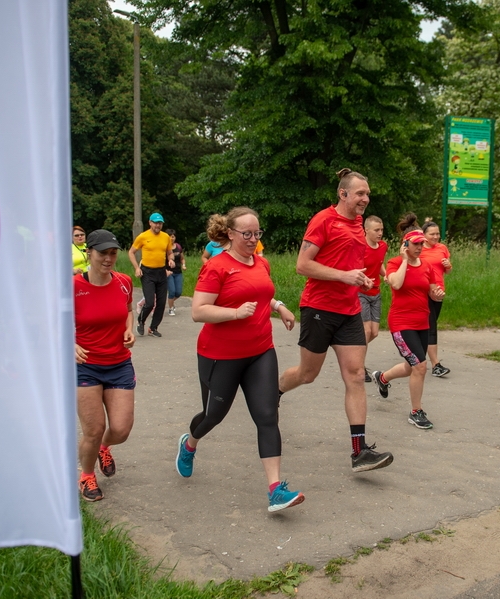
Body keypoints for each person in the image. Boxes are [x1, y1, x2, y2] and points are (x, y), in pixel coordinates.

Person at [174, 207, 304, 512]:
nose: (253, 239)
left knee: (267, 415)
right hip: (220, 355)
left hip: (260, 351)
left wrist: (279, 306)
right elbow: (199, 310)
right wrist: (234, 313)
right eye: (246, 234)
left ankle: (275, 490)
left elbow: (258, 292)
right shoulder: (216, 267)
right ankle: (189, 444)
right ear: (230, 234)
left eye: (257, 233)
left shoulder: (261, 262)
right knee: (213, 415)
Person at [278, 168, 394, 473]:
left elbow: (348, 264)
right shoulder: (323, 220)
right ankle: (273, 392)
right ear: (343, 194)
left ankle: (359, 452)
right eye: (360, 193)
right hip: (318, 308)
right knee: (307, 374)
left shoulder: (358, 225)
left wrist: (361, 281)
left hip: (349, 310)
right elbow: (302, 265)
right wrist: (344, 276)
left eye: (367, 194)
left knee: (355, 375)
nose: (366, 199)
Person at [73, 229, 136, 502]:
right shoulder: (72, 287)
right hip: (86, 364)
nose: (109, 258)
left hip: (119, 362)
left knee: (121, 429)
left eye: (113, 253)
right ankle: (86, 475)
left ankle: (103, 448)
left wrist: (129, 329)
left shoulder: (123, 282)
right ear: (90, 253)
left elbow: (129, 309)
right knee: (93, 427)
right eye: (102, 253)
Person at [371, 230, 445, 429]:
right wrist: (404, 260)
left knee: (411, 365)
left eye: (422, 244)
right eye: (415, 244)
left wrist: (437, 294)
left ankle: (382, 377)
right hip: (402, 323)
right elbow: (396, 283)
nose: (420, 247)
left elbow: (432, 290)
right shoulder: (395, 263)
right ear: (406, 245)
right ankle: (416, 411)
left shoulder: (427, 265)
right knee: (420, 366)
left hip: (422, 322)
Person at [128, 213, 174, 338]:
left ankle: (153, 328)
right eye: (155, 222)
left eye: (160, 223)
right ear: (150, 223)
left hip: (161, 272)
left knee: (161, 302)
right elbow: (131, 252)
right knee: (149, 302)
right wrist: (137, 268)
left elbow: (170, 253)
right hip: (147, 272)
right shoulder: (143, 236)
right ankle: (141, 321)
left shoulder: (166, 237)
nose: (158, 225)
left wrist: (171, 259)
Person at [419, 218, 452, 377]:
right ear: (424, 235)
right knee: (431, 325)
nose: (436, 236)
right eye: (432, 234)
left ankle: (415, 356)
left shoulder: (442, 248)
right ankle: (435, 365)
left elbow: (448, 271)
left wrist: (448, 265)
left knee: (428, 325)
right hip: (423, 292)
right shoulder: (419, 249)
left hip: (439, 291)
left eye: (438, 233)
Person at [359, 215, 388, 382]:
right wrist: (364, 280)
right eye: (377, 230)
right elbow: (353, 267)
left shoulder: (383, 246)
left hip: (375, 293)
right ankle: (360, 367)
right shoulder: (360, 246)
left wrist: (387, 275)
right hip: (360, 292)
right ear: (366, 230)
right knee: (366, 331)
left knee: (375, 333)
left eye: (382, 230)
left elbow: (379, 264)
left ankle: (353, 349)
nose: (380, 233)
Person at [166, 229, 186, 316]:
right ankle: (171, 308)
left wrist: (183, 265)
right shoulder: (164, 248)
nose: (171, 238)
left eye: (173, 236)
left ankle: (170, 302)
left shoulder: (178, 246)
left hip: (178, 272)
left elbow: (182, 258)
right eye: (169, 236)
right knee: (172, 291)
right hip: (168, 272)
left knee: (178, 292)